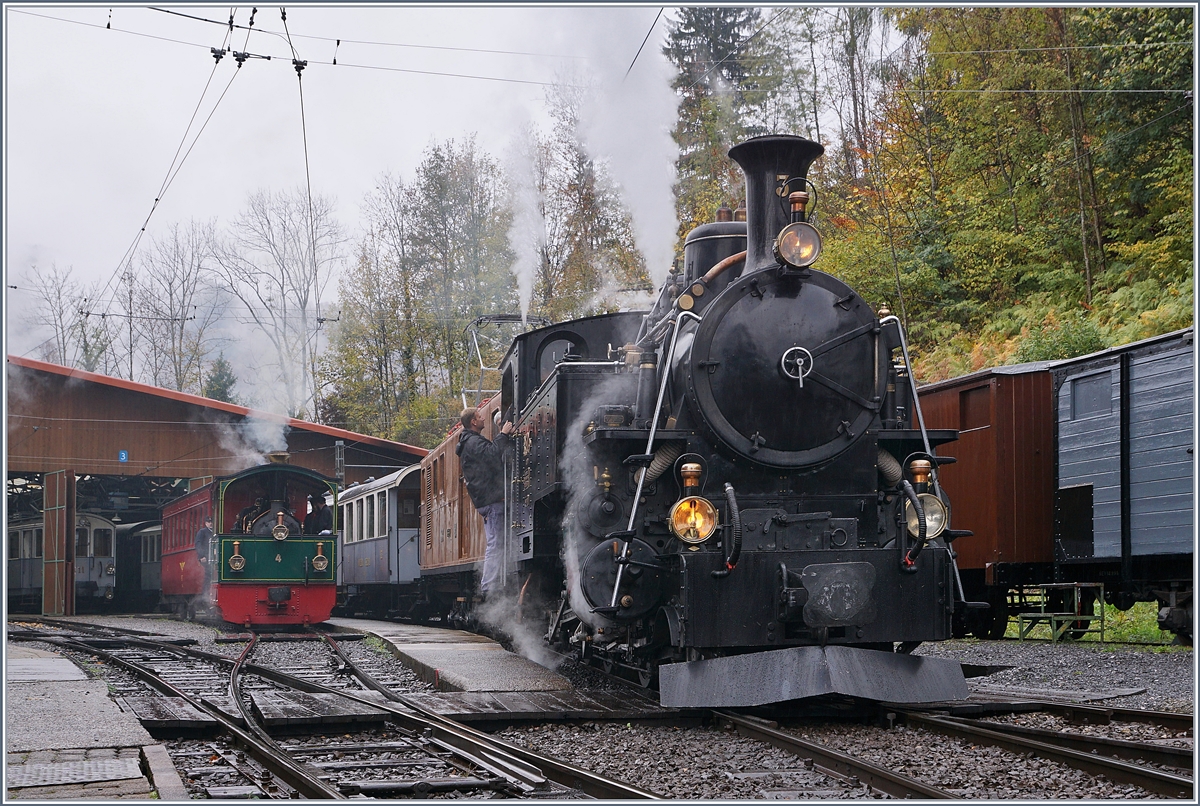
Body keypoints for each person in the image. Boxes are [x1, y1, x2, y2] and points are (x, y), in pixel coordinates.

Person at [455, 407, 513, 594]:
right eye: (479, 416)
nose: (483, 419)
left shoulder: (470, 441)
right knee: (495, 543)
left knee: (497, 542)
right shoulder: (473, 442)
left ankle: (496, 582)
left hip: (486, 499)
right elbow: (491, 455)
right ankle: (489, 586)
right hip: (491, 499)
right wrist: (503, 434)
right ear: (473, 422)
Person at [195, 516, 214, 586]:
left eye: (211, 522)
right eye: (209, 522)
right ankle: (205, 591)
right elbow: (198, 544)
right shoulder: (202, 532)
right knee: (208, 575)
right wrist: (201, 556)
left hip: (213, 557)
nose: (210, 523)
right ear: (206, 523)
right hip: (205, 557)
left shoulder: (215, 532)